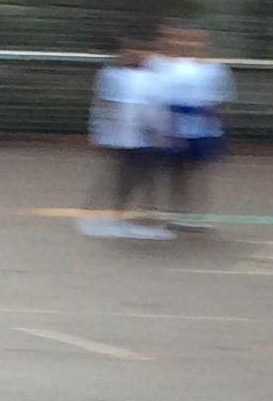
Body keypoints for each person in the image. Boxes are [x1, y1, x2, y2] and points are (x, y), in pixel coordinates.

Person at [81, 38, 167, 240]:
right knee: (124, 175)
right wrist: (101, 131)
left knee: (145, 176)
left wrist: (159, 130)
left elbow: (154, 106)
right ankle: (113, 215)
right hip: (122, 136)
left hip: (143, 136)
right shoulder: (112, 75)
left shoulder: (151, 76)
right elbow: (107, 105)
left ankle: (143, 217)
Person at [153, 25, 235, 233]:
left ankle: (196, 213)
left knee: (198, 172)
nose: (186, 44)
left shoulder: (214, 69)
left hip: (202, 128)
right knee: (176, 171)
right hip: (173, 126)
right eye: (181, 39)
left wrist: (217, 126)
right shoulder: (162, 66)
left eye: (193, 40)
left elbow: (220, 101)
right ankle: (177, 211)